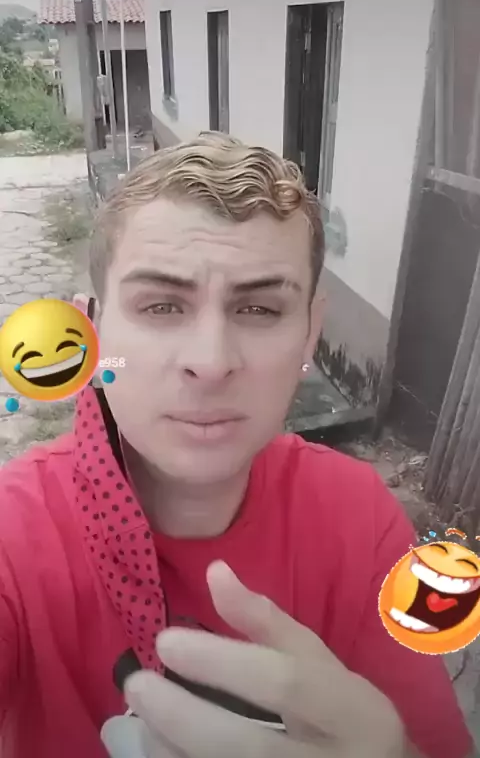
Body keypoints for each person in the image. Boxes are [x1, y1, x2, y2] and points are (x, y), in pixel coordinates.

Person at [0, 132, 473, 758]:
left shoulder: (361, 518)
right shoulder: (14, 532)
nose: (212, 361)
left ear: (309, 335)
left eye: (259, 311)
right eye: (161, 306)